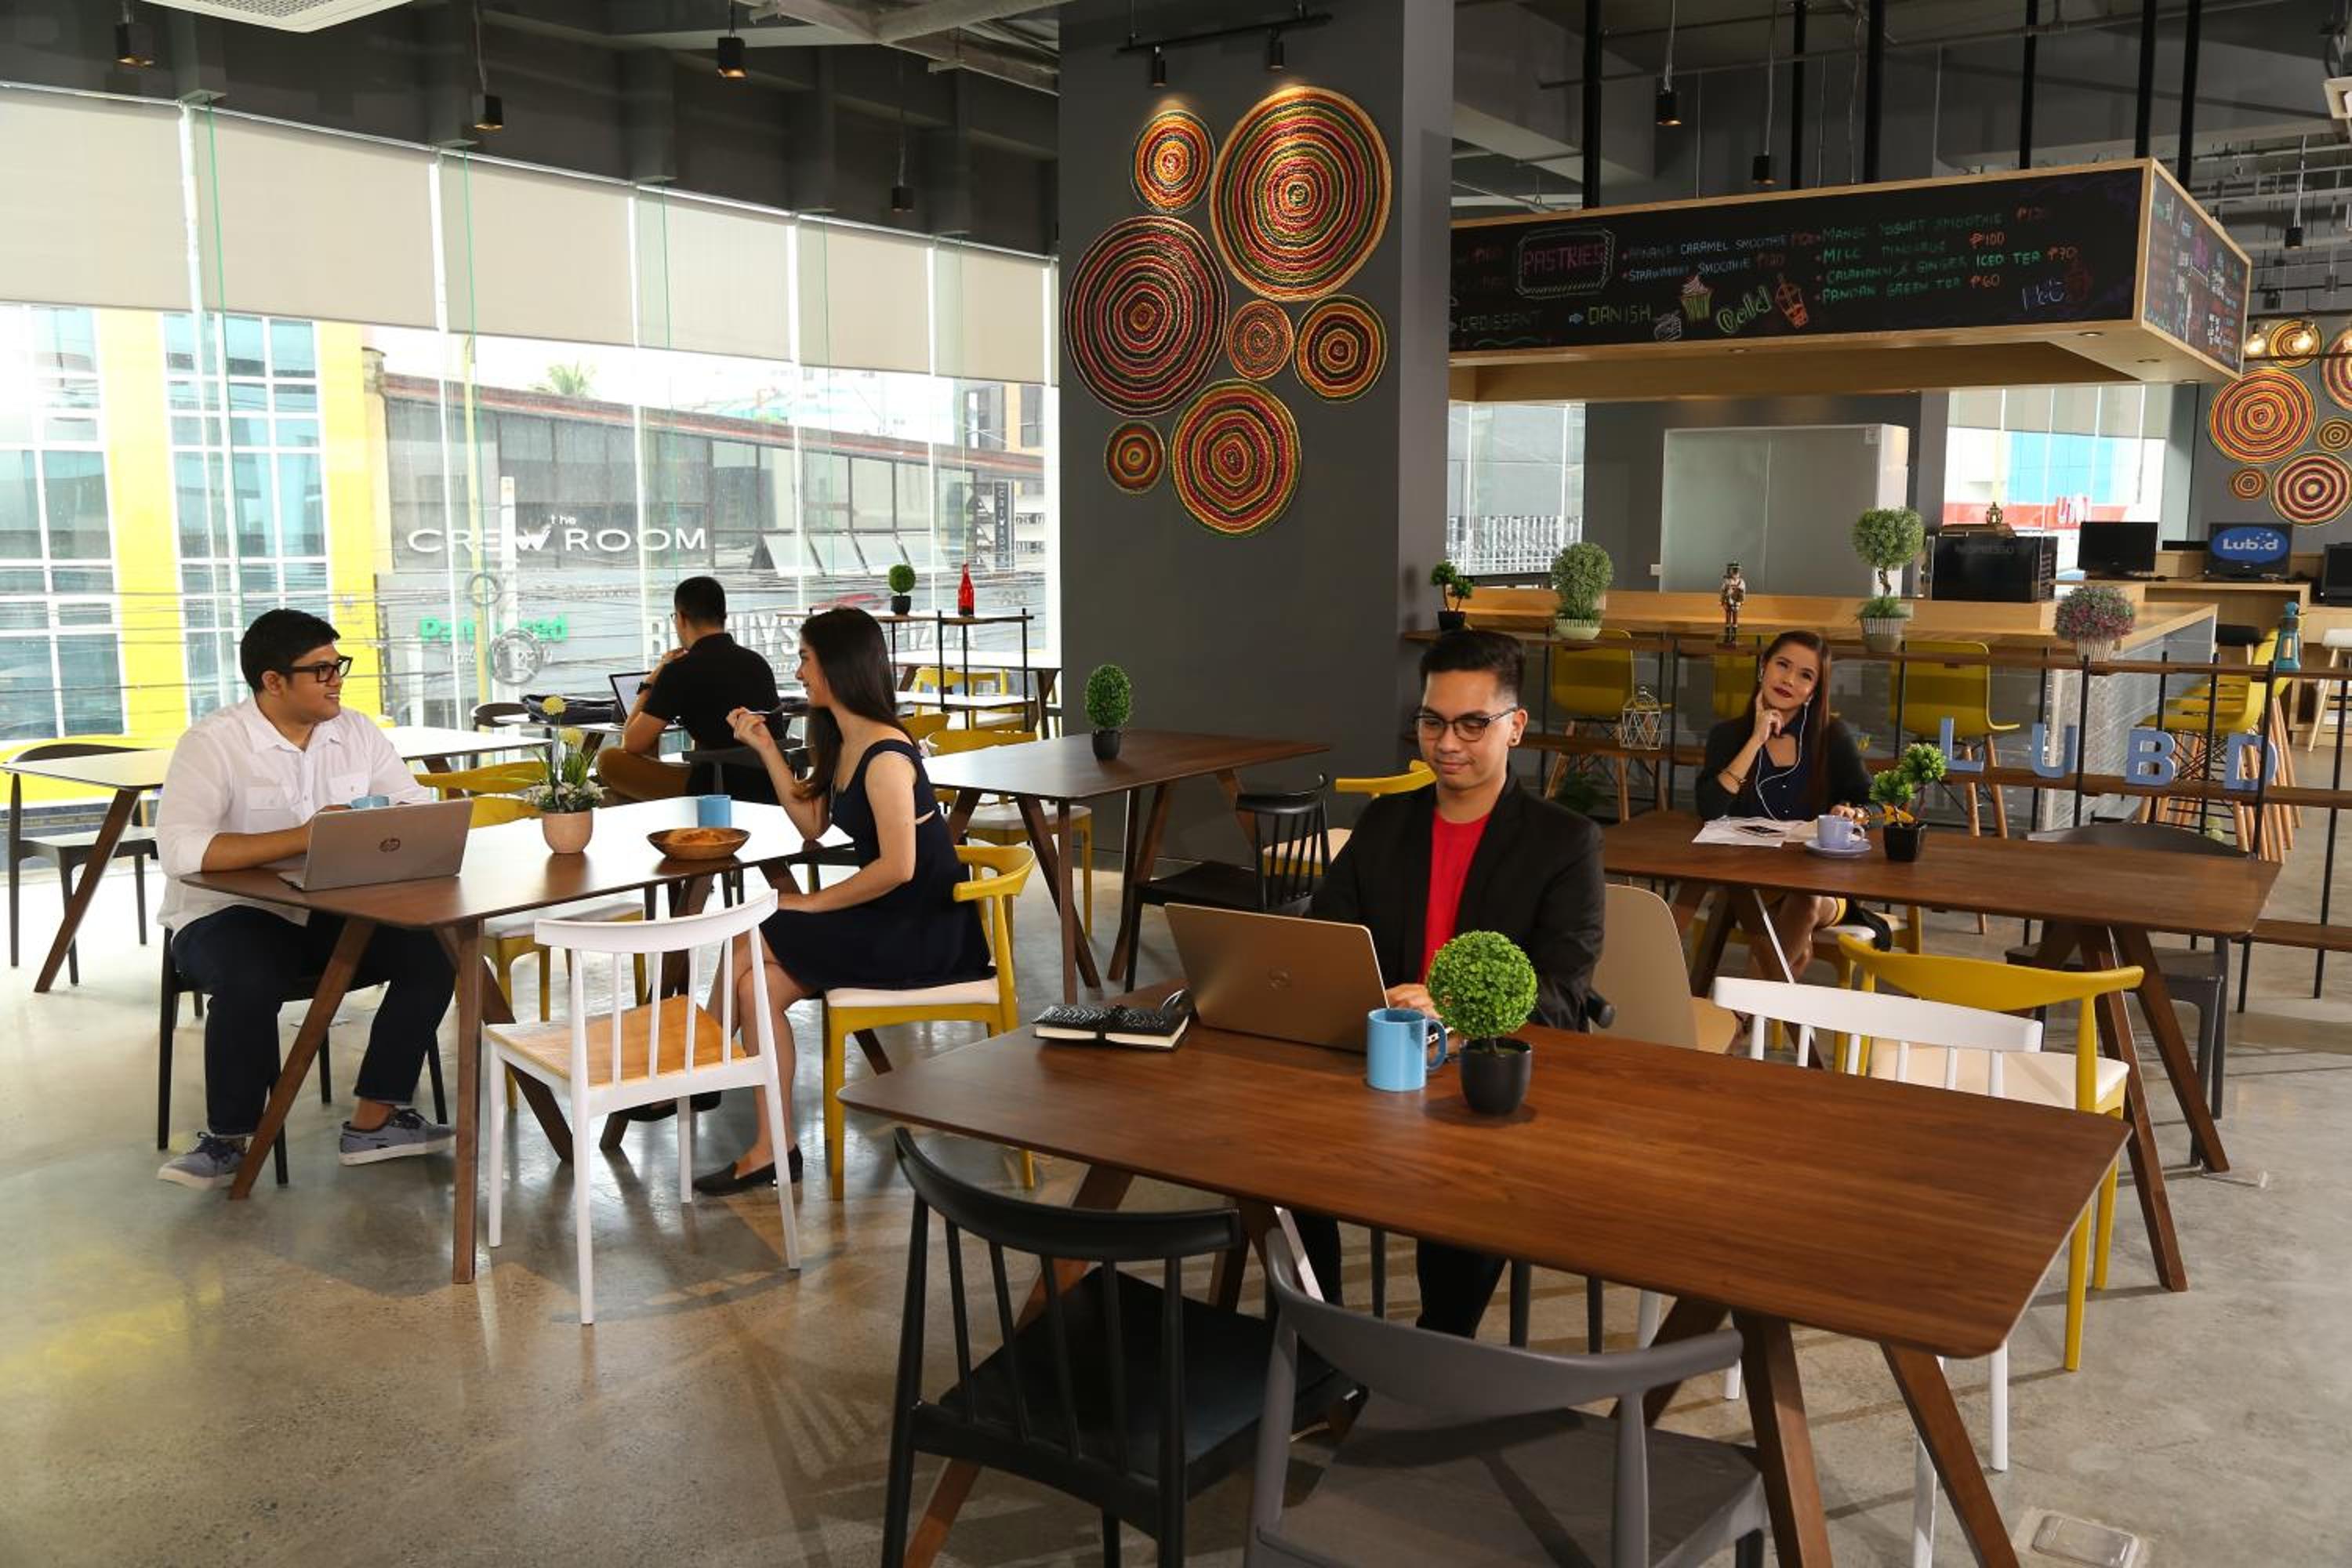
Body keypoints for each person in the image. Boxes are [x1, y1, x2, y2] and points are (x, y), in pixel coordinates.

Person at [1297, 629, 1606, 1337]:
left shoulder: (1564, 843)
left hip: (1485, 1077)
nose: (1447, 743)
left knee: (1461, 1193)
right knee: (1279, 1164)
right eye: (1432, 722)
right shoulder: (1385, 822)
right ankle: (1320, 1343)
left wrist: (1456, 1011)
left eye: (1472, 724)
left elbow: (1562, 992)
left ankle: (1438, 1349)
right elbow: (1326, 940)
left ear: (1515, 727)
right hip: (1378, 1064)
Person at [690, 606, 993, 1194]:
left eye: (805, 659)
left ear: (836, 666)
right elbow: (812, 824)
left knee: (754, 930)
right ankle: (772, 1149)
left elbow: (899, 868)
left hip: (921, 931)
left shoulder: (886, 755)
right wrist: (765, 747)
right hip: (884, 919)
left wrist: (812, 904)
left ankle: (696, 1065)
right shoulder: (845, 741)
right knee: (756, 989)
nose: (799, 672)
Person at [154, 610, 456, 1189]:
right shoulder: (213, 743)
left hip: (335, 911)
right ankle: (228, 1140)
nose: (337, 680)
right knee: (250, 976)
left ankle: (375, 1121)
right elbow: (181, 851)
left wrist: (398, 829)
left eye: (338, 666)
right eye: (321, 670)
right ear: (273, 681)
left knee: (434, 952)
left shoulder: (357, 732)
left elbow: (412, 807)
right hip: (225, 916)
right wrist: (305, 835)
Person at [1696, 628, 1875, 975]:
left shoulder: (1832, 737)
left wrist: (1855, 813)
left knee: (1805, 900)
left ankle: (1742, 1008)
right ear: (1763, 666)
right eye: (1782, 665)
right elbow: (1710, 811)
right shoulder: (1727, 736)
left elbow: (1876, 804)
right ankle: (1774, 983)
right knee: (1788, 934)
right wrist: (1755, 741)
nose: (1789, 680)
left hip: (1822, 886)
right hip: (1751, 881)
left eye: (1805, 675)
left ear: (1814, 691)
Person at [596, 575, 780, 804]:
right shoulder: (757, 662)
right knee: (616, 796)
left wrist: (650, 683)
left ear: (681, 618)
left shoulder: (679, 671)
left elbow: (632, 743)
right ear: (724, 617)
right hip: (771, 785)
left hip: (714, 788)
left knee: (609, 760)